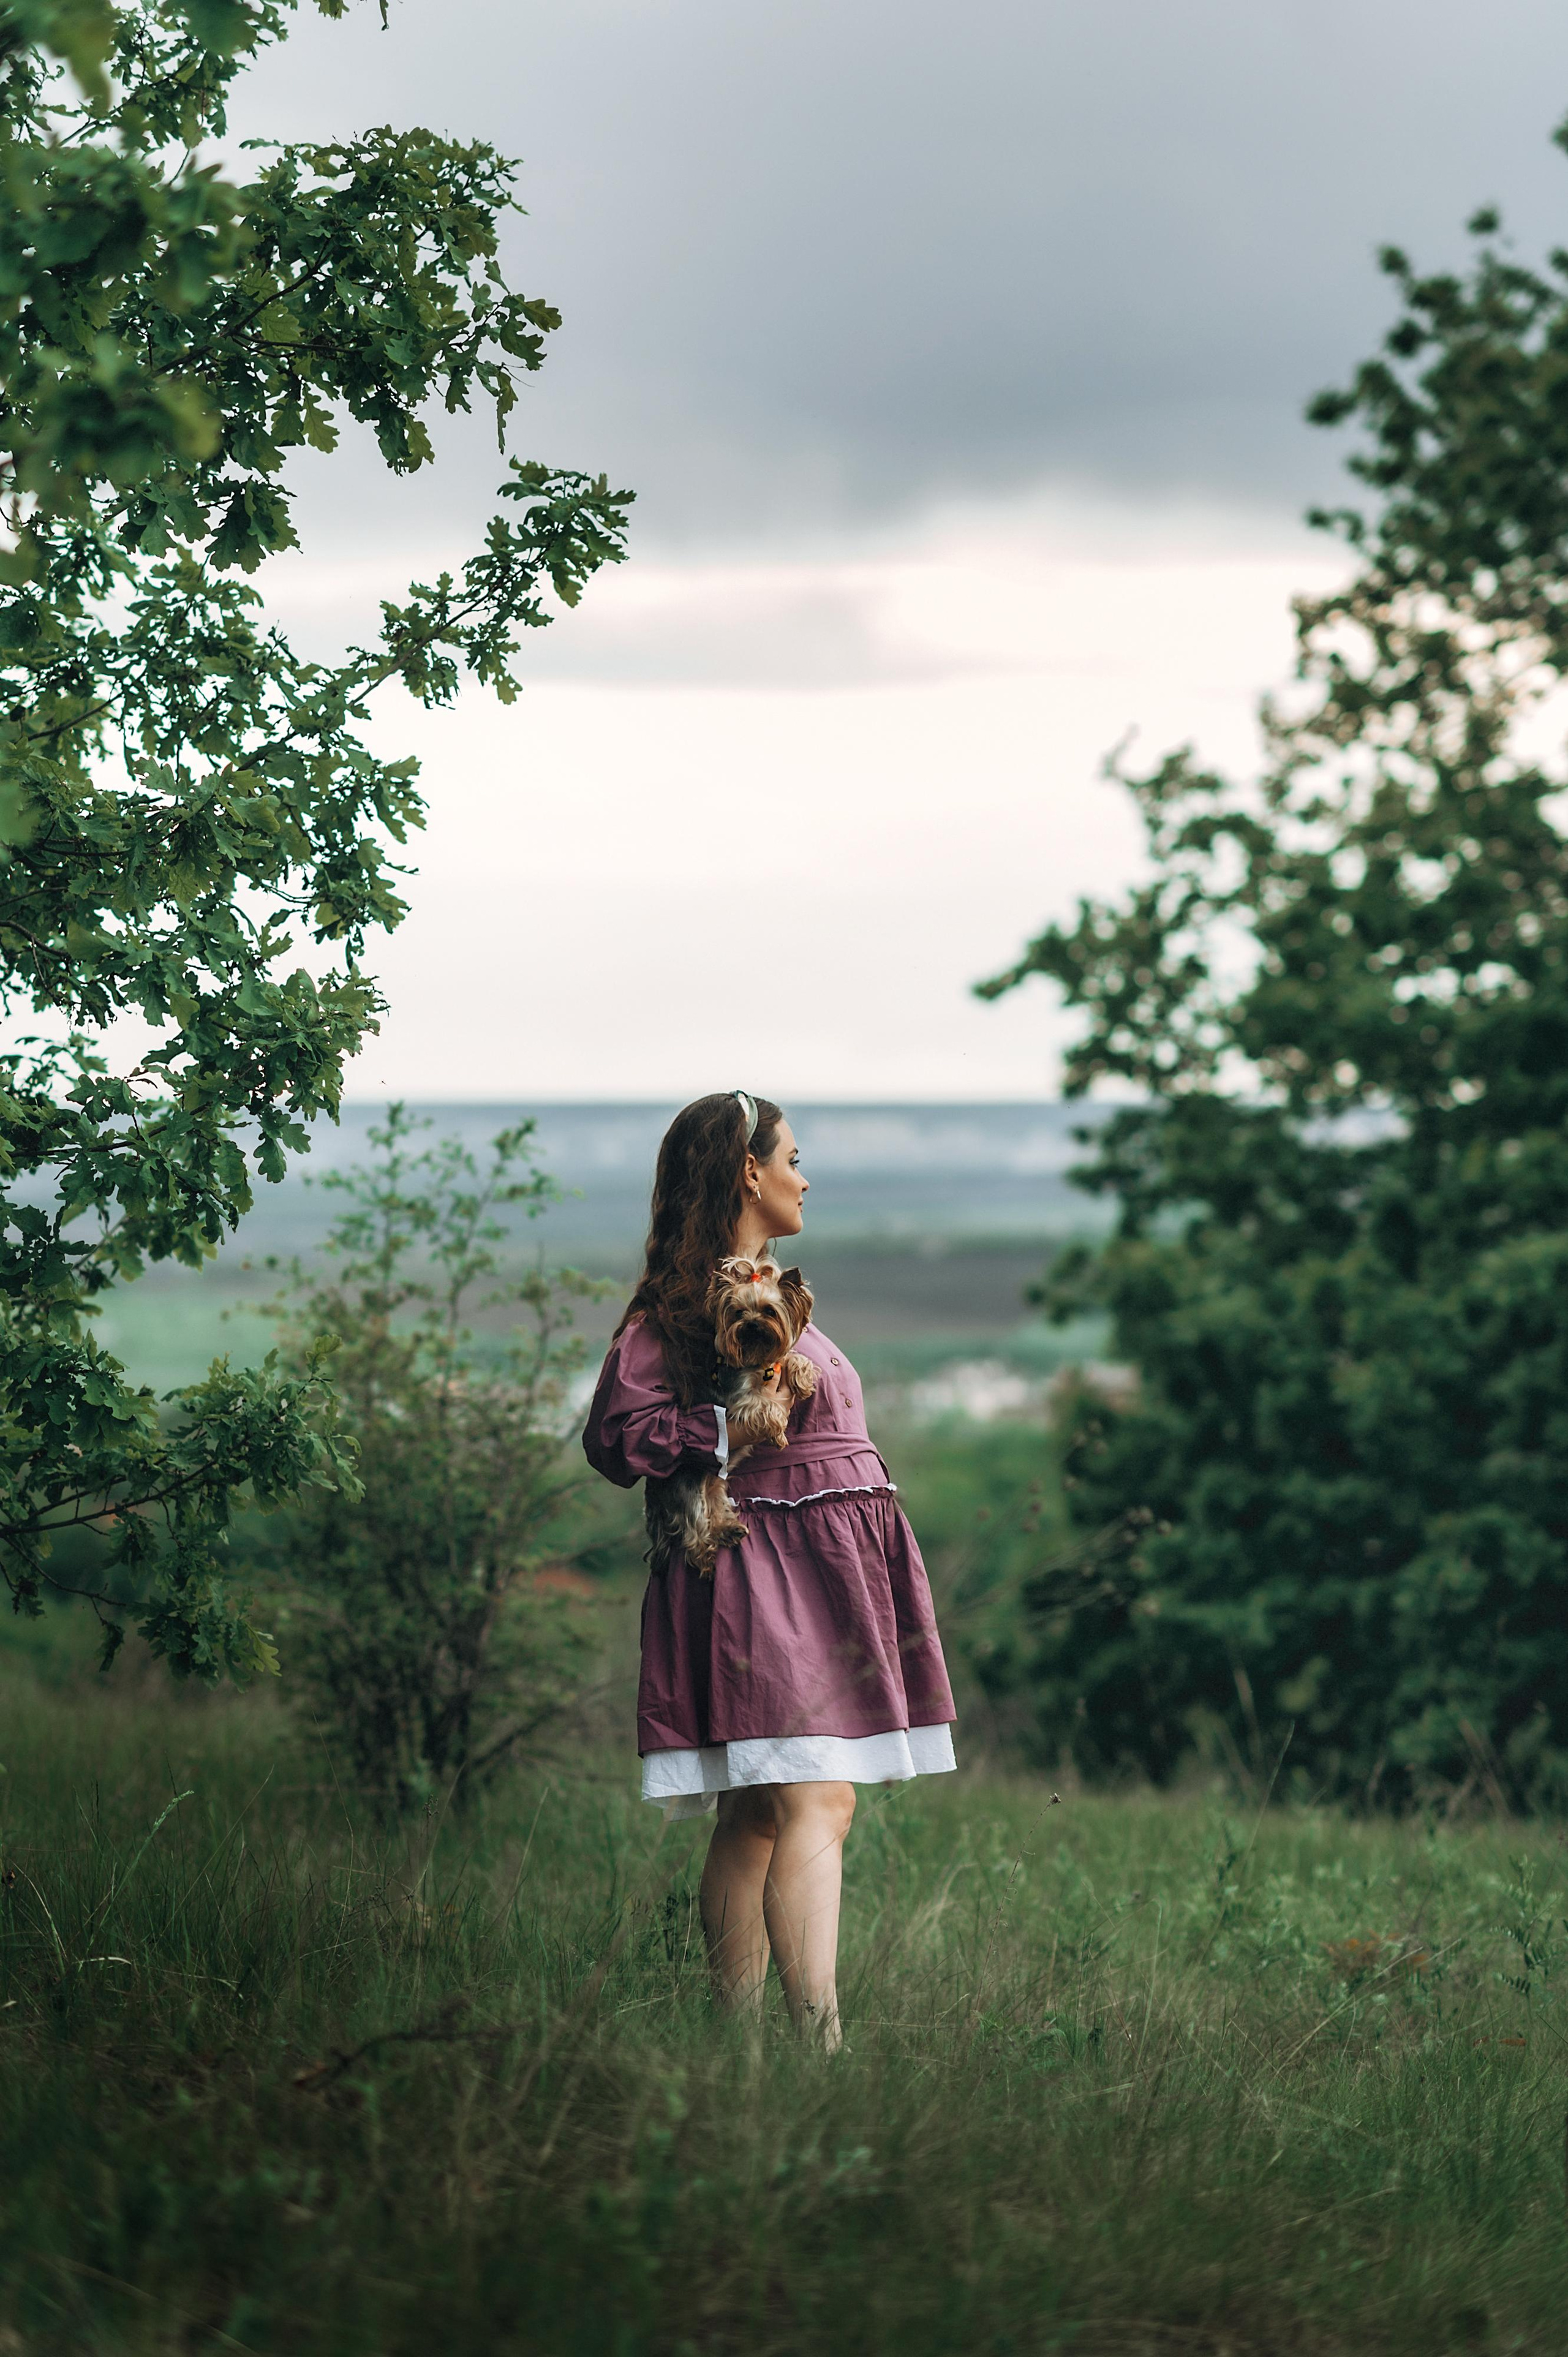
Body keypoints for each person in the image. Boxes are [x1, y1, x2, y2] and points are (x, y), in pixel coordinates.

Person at [582, 1091, 957, 2048]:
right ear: (750, 1171)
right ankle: (820, 2051)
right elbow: (618, 1438)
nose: (804, 1173)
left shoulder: (775, 1288)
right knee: (819, 1798)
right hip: (762, 1570)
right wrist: (724, 1427)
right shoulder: (686, 1307)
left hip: (820, 1571)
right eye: (793, 1155)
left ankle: (740, 2054)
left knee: (757, 1813)